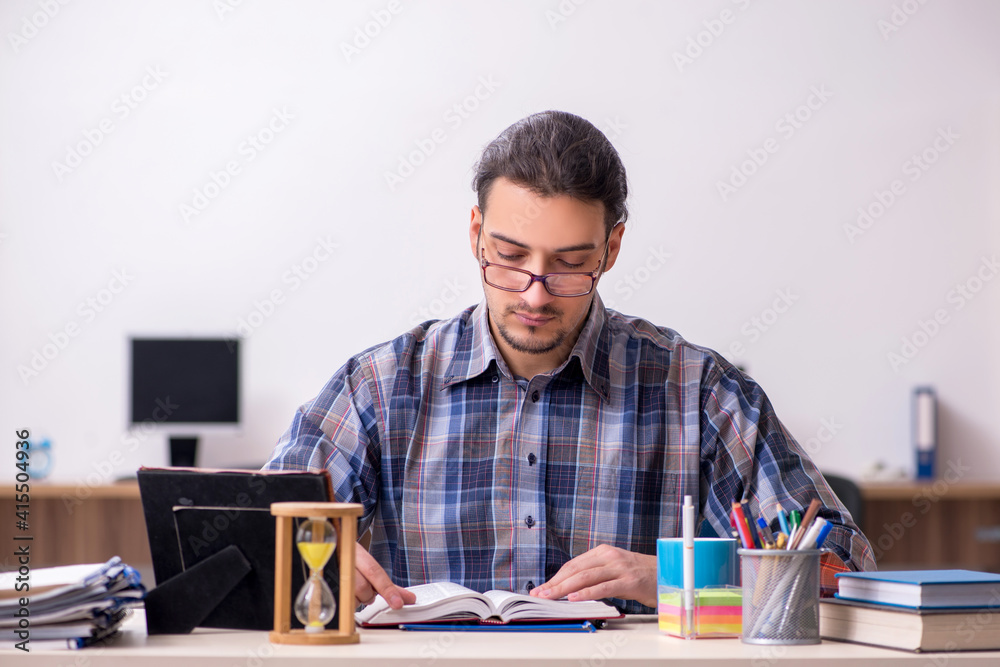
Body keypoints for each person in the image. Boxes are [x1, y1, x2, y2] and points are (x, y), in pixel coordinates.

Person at [264, 110, 876, 614]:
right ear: (476, 234)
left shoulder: (698, 391)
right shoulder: (380, 385)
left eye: (568, 264)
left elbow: (843, 564)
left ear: (611, 249)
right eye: (509, 256)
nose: (534, 292)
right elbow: (240, 539)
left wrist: (671, 576)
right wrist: (308, 561)